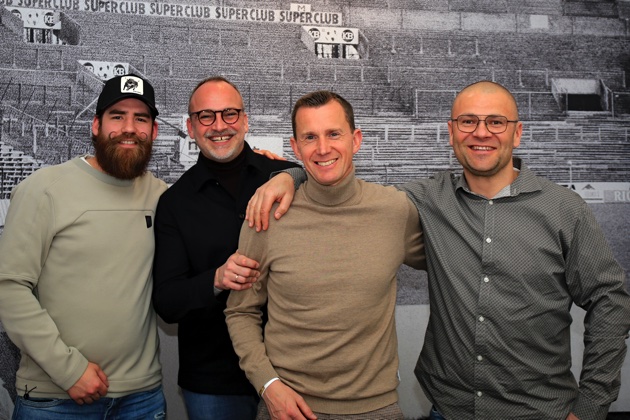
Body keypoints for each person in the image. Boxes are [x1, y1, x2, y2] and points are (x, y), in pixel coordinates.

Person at [244, 81, 630, 420]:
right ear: (451, 132)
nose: (481, 132)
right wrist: (290, 175)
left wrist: (590, 406)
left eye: (496, 122)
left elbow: (610, 301)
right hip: (448, 409)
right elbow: (337, 179)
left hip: (541, 411)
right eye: (468, 121)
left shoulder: (564, 209)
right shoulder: (424, 201)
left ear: (517, 133)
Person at [224, 90, 425, 420]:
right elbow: (240, 311)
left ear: (356, 140)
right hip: (288, 408)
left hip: (376, 408)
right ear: (295, 147)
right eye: (310, 137)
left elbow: (451, 259)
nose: (322, 148)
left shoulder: (395, 210)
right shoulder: (266, 215)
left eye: (334, 134)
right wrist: (268, 384)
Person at [0, 74, 168, 419]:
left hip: (142, 398)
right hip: (56, 398)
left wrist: (280, 175)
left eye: (141, 119)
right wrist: (69, 370)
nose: (129, 128)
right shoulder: (44, 189)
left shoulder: (162, 196)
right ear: (96, 125)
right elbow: (9, 286)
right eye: (117, 116)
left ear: (153, 131)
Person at [151, 76, 299, 420]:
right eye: (206, 116)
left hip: (293, 371)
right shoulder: (175, 203)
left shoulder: (285, 176)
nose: (219, 125)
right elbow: (167, 302)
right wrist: (216, 279)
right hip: (214, 383)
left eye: (229, 113)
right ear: (190, 127)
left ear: (245, 121)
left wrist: (295, 175)